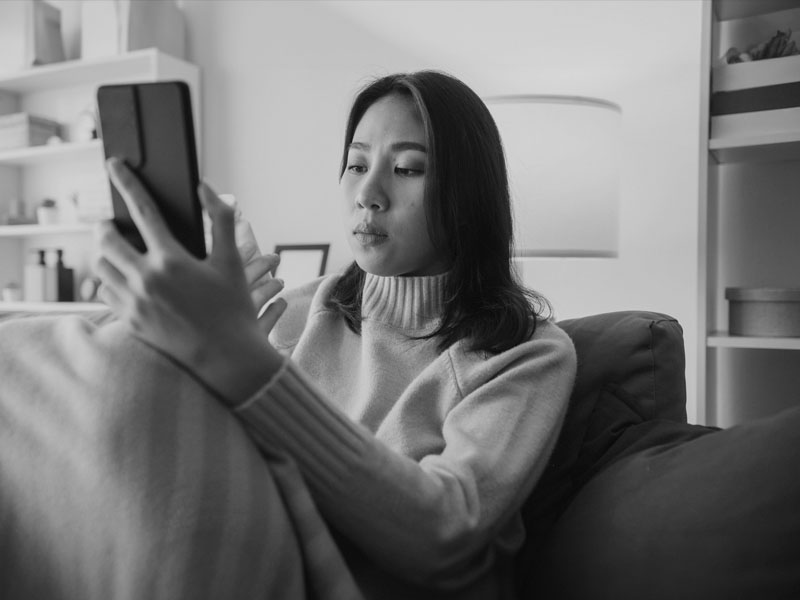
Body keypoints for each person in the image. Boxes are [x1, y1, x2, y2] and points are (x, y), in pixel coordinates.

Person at [0, 71, 576, 599]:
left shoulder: (526, 354)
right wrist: (177, 333)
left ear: (468, 195)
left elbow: (447, 532)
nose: (368, 192)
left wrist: (246, 365)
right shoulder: (302, 309)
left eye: (407, 168)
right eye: (355, 164)